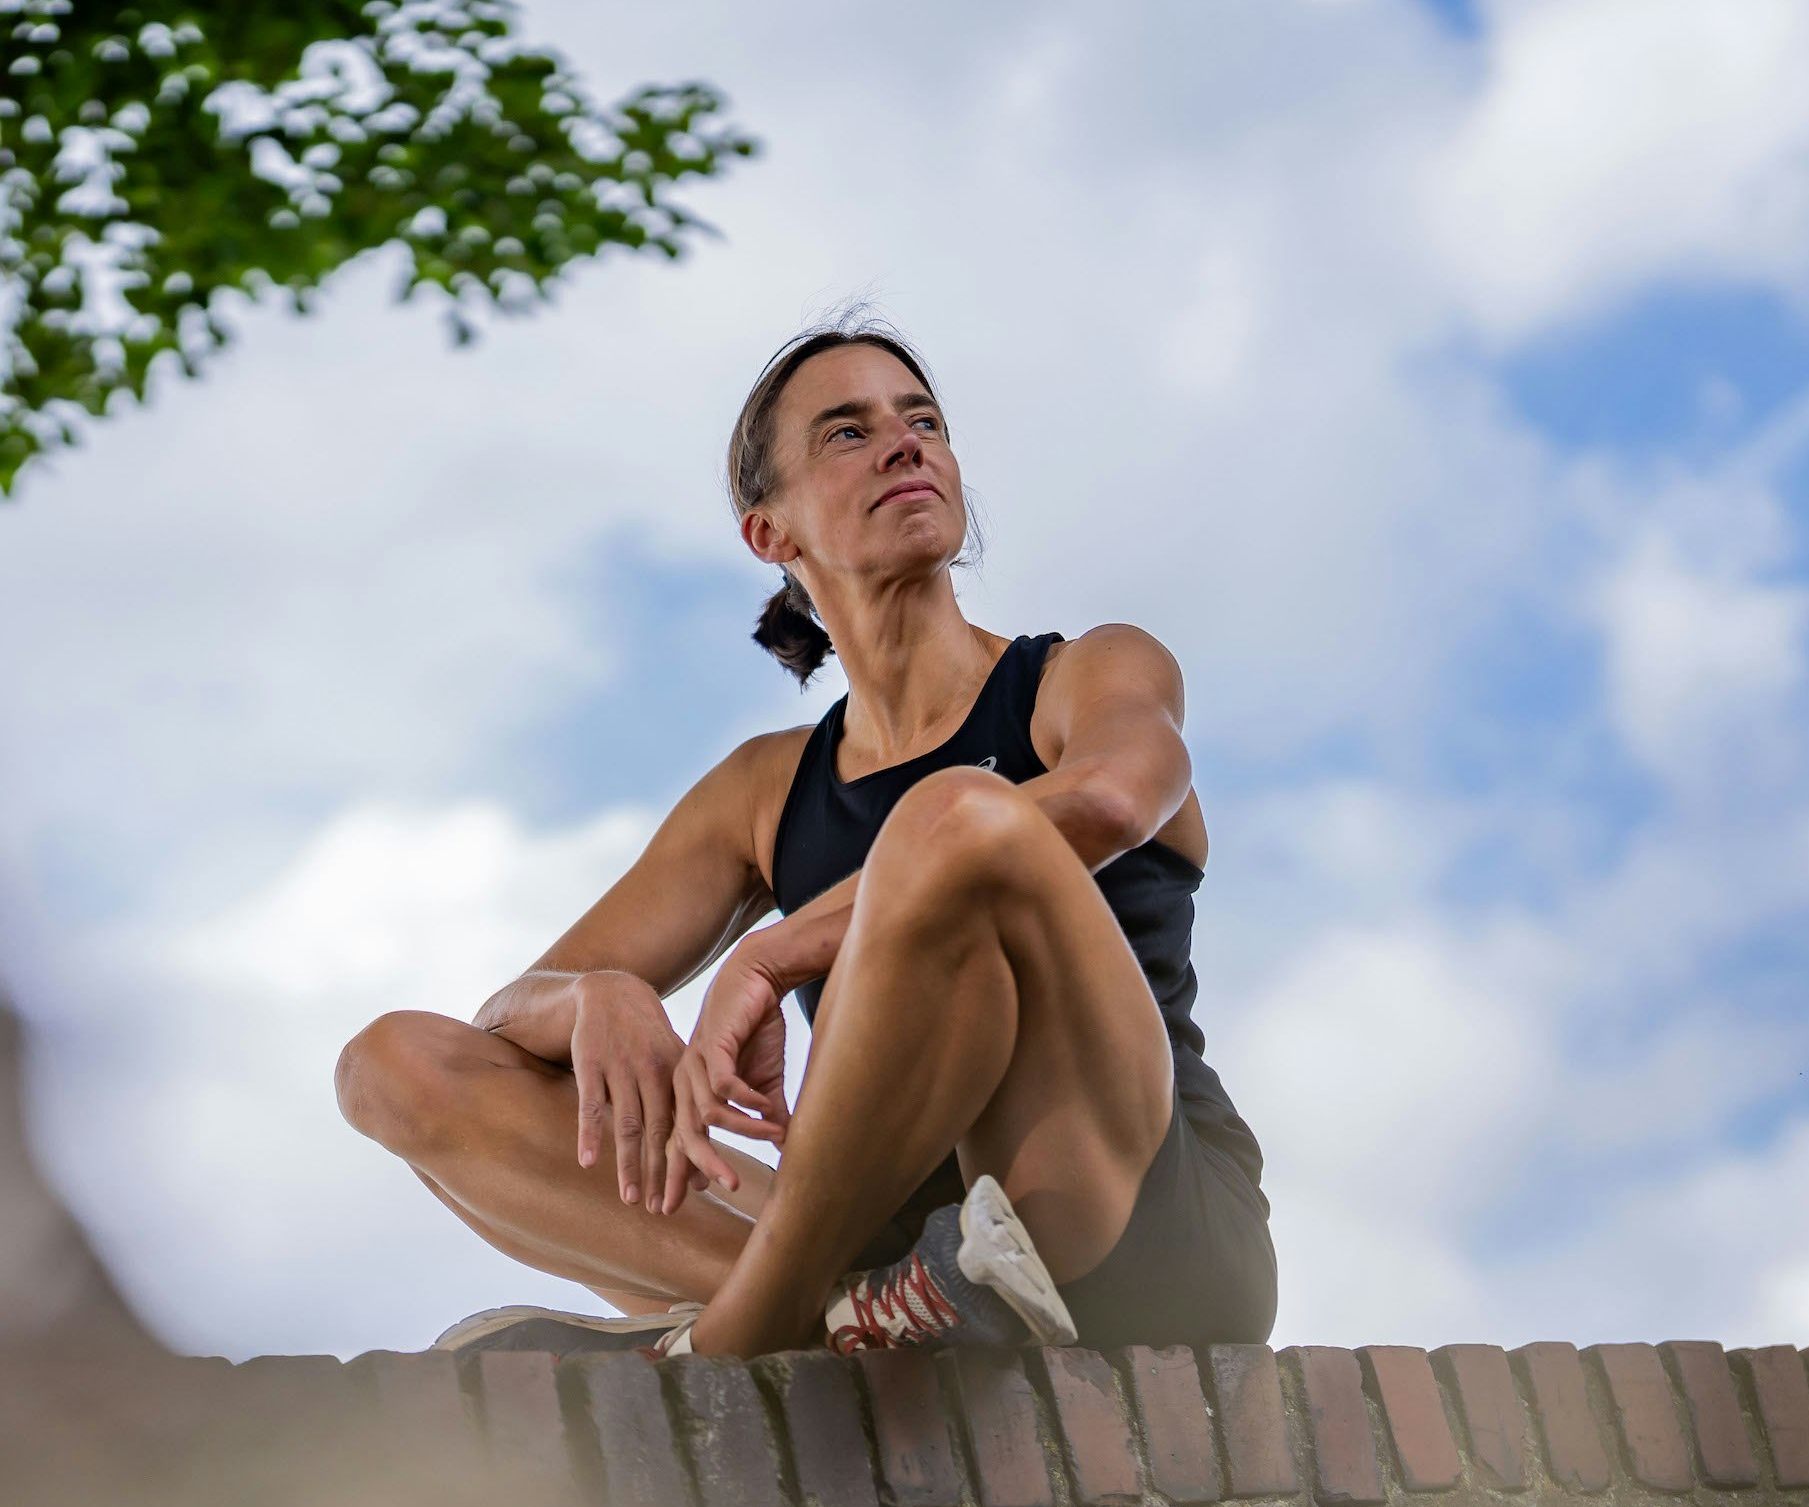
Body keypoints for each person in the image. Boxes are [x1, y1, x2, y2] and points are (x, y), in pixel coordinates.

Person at [335, 322, 1276, 1358]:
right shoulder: (765, 788)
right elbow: (499, 1022)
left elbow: (1107, 800)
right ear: (769, 533)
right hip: (904, 1264)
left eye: (923, 421)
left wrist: (776, 949)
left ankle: (741, 1333)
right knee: (394, 1068)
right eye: (846, 432)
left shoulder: (1084, 675)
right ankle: (839, 1317)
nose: (905, 444)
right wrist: (592, 994)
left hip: (1130, 1225)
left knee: (958, 817)